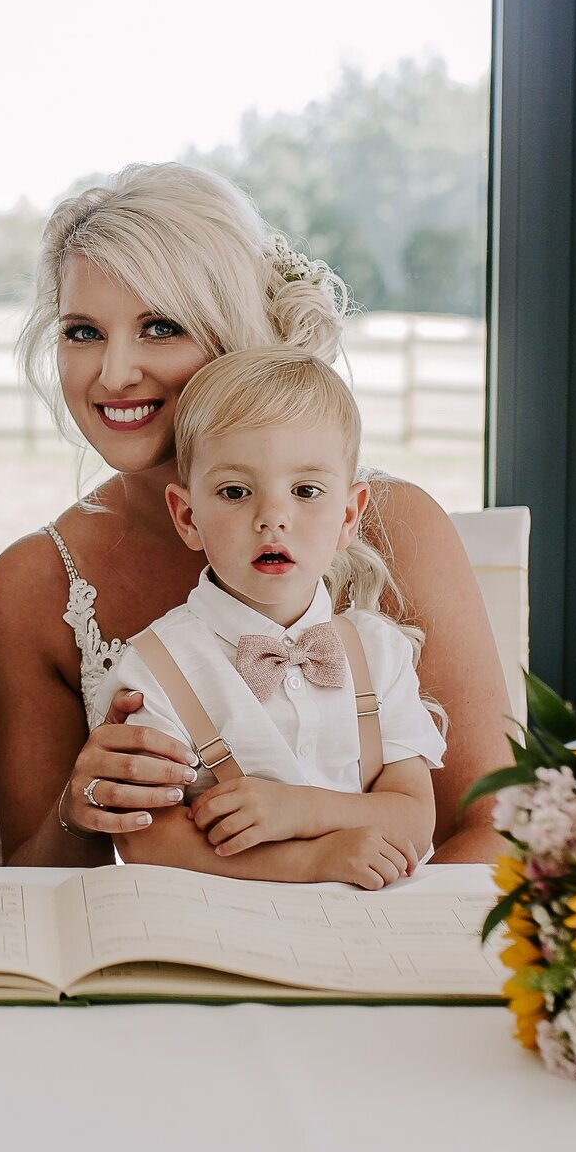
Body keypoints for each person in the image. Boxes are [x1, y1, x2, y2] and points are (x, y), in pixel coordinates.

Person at [0, 162, 513, 867]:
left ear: (234, 330)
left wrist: (354, 953)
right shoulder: (34, 584)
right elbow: (32, 882)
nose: (112, 373)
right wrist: (79, 813)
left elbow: (497, 827)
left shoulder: (396, 522)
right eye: (83, 332)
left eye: (160, 326)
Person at [106, 348, 440, 889]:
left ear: (349, 515)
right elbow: (147, 837)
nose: (272, 518)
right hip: (225, 937)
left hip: (374, 934)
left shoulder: (378, 652)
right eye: (236, 492)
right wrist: (311, 862)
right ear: (188, 517)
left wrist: (301, 810)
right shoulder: (157, 667)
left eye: (306, 491)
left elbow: (415, 818)